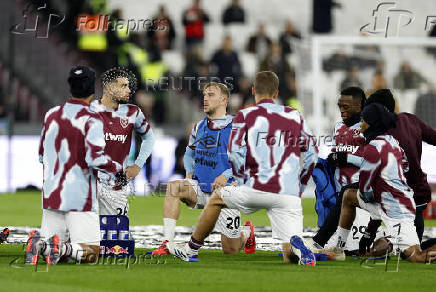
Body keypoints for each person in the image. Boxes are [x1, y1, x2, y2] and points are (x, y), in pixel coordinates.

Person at [168, 71, 319, 265]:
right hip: (288, 194)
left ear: (254, 90)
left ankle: (190, 249)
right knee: (289, 255)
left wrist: (238, 181)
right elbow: (312, 153)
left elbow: (235, 154)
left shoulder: (244, 116)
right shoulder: (294, 115)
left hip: (256, 187)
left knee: (216, 199)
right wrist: (301, 185)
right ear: (276, 93)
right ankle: (296, 246)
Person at [26, 66, 124, 265]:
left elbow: (40, 156)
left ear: (70, 87)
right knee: (92, 254)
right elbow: (94, 159)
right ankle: (58, 247)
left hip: (52, 195)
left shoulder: (51, 114)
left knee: (60, 258)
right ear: (92, 89)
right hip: (79, 197)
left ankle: (44, 246)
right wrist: (117, 169)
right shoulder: (92, 119)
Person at [152, 82, 255, 256]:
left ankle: (245, 233)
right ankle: (167, 244)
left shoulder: (237, 127)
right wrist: (189, 172)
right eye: (205, 95)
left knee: (231, 250)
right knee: (173, 187)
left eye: (211, 95)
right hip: (201, 187)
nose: (205, 98)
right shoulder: (198, 127)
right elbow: (189, 153)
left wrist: (226, 175)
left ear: (223, 100)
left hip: (226, 193)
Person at [334, 103, 436, 263]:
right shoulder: (393, 142)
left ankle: (342, 246)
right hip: (390, 201)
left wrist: (376, 196)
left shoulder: (371, 148)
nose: (360, 124)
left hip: (396, 210)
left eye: (363, 120)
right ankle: (338, 249)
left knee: (416, 256)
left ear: (372, 123)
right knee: (348, 196)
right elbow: (406, 167)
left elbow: (365, 188)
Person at [309, 87, 367, 253]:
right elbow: (338, 154)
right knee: (339, 248)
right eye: (339, 106)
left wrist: (346, 158)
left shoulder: (366, 128)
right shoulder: (338, 127)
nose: (342, 110)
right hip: (339, 192)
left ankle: (319, 241)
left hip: (361, 193)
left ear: (359, 105)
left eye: (346, 107)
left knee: (354, 250)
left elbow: (374, 164)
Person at [90, 67, 154, 216]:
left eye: (129, 86)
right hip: (89, 182)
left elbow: (149, 138)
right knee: (81, 234)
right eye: (124, 86)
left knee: (118, 234)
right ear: (109, 88)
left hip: (117, 184)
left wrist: (137, 165)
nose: (129, 90)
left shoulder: (133, 112)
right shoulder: (90, 109)